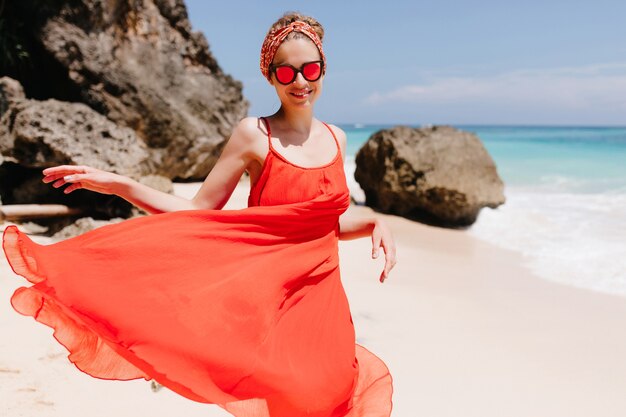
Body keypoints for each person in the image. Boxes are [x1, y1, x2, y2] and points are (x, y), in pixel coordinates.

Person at [2, 12, 396, 417]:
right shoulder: (254, 134)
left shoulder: (338, 138)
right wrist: (121, 184)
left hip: (323, 306)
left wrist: (371, 223)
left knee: (332, 393)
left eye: (310, 69)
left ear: (323, 70)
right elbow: (197, 212)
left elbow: (319, 228)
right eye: (286, 72)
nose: (300, 81)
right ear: (270, 76)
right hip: (270, 305)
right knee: (290, 397)